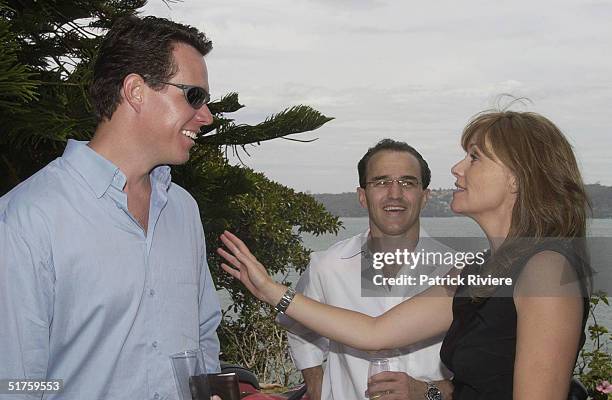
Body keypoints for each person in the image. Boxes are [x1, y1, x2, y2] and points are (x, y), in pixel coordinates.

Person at [218, 110, 592, 400]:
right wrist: (271, 290)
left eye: (474, 157)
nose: (457, 169)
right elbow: (375, 332)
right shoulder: (480, 271)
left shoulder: (545, 268)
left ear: (517, 178)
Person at [0, 16, 222, 400]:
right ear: (136, 91)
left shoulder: (182, 210)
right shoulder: (27, 217)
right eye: (194, 96)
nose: (207, 116)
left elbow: (203, 333)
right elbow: (15, 382)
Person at [278, 139, 453, 400]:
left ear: (424, 196)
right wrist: (315, 385)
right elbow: (296, 324)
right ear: (362, 196)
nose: (395, 193)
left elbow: (478, 374)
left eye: (408, 182)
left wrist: (426, 391)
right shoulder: (327, 267)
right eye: (381, 182)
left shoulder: (456, 271)